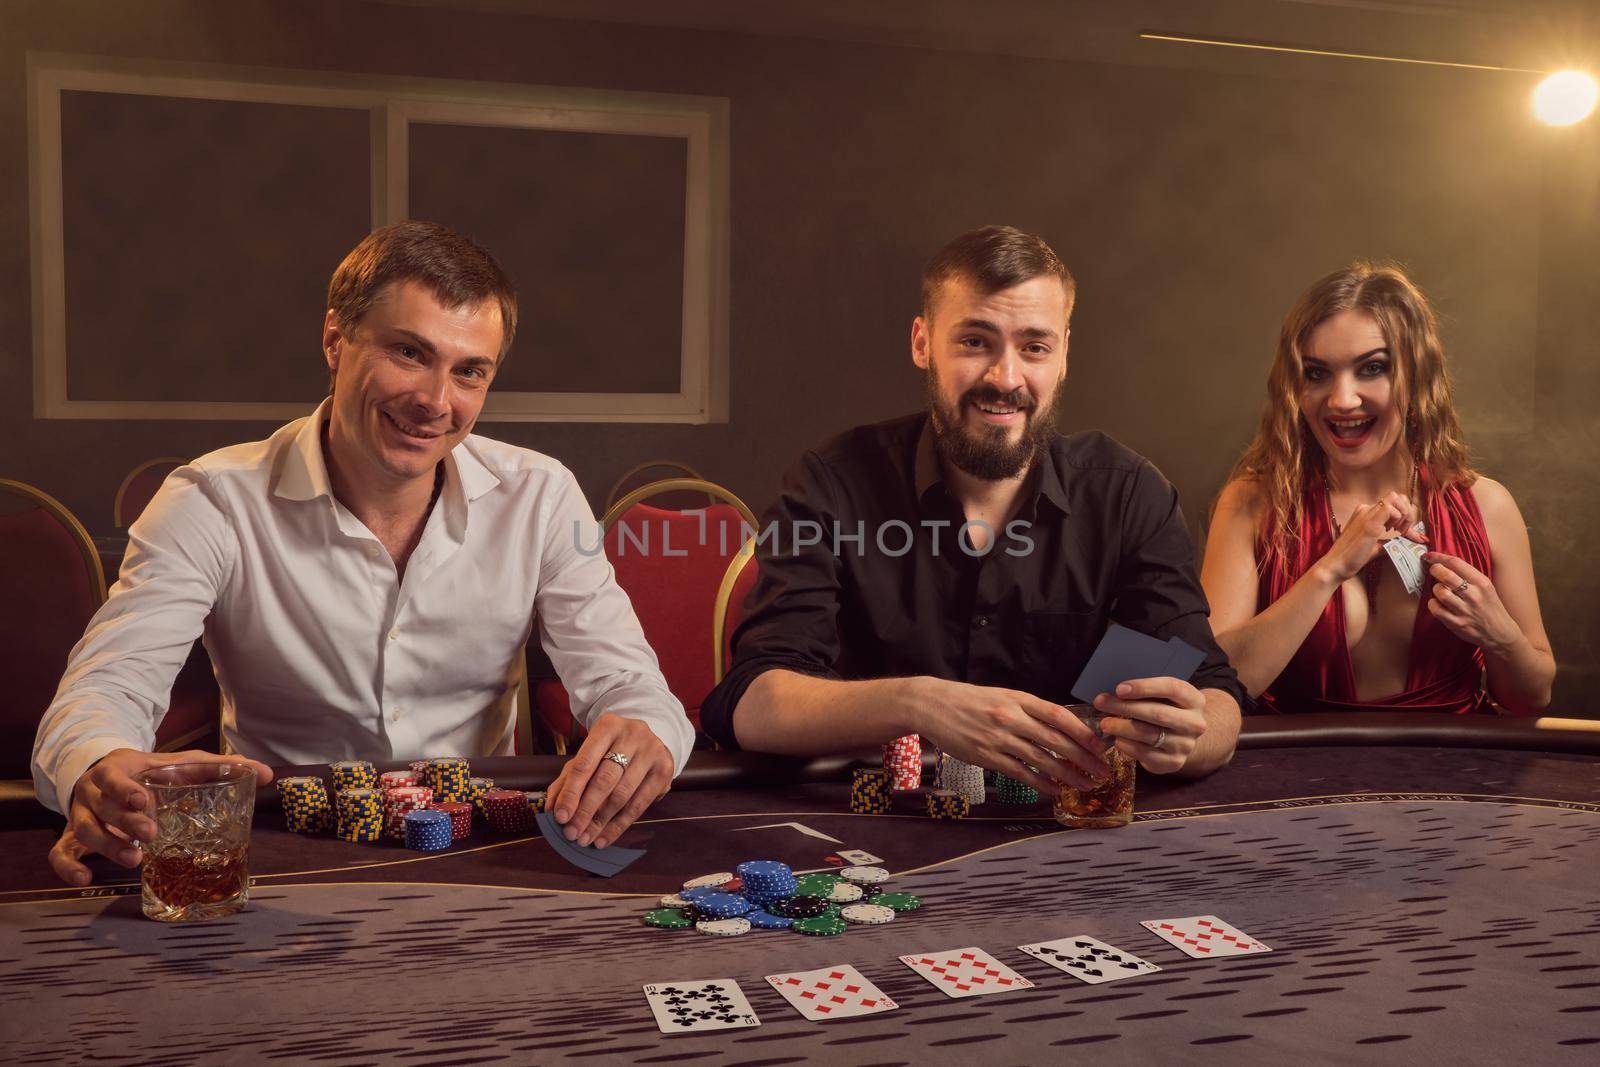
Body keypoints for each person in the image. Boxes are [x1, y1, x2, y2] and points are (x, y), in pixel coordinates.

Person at [33, 220, 694, 886]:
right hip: (274, 849)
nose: (437, 401)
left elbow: (631, 684)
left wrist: (645, 731)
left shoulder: (542, 494)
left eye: (469, 372)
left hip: (477, 852)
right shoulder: (212, 499)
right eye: (409, 352)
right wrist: (95, 762)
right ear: (334, 340)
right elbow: (106, 687)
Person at [700, 226, 1244, 789]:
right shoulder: (833, 484)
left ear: (1062, 357)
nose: (1005, 378)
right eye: (975, 341)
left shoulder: (1126, 493)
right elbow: (751, 700)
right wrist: (919, 702)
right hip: (879, 824)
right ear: (921, 343)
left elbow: (1214, 696)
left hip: (1063, 824)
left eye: (1034, 347)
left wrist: (1187, 737)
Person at [1201, 262, 1554, 714]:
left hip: (1451, 776)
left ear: (1417, 375)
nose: (1342, 399)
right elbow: (1213, 687)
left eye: (1372, 368)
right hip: (1293, 781)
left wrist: (1499, 635)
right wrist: (1328, 570)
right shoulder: (1253, 503)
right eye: (1316, 373)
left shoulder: (1486, 506)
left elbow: (1532, 698)